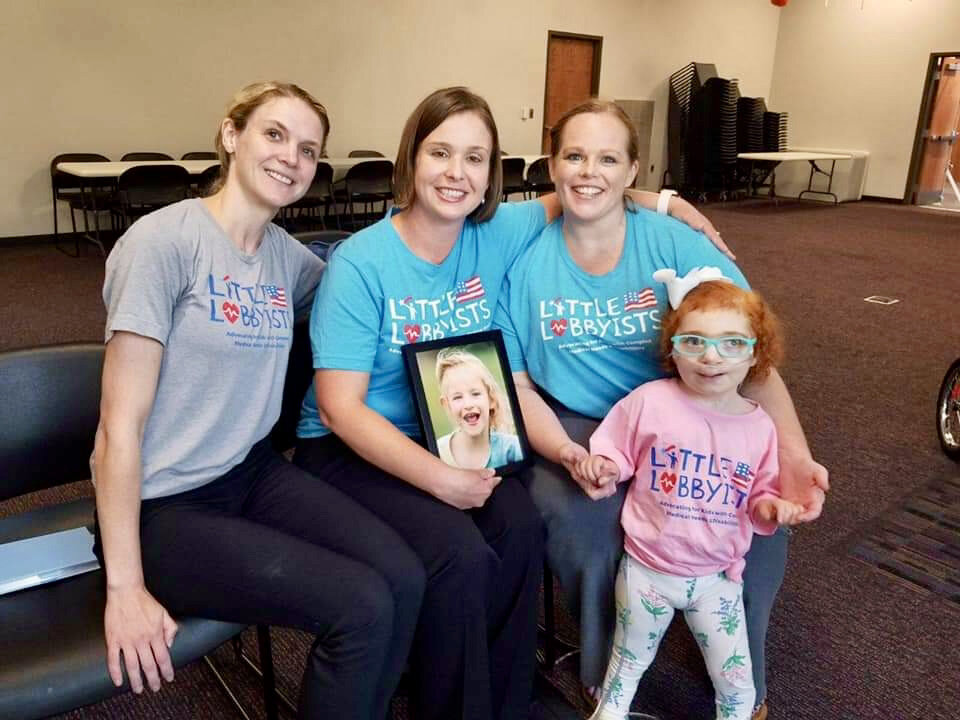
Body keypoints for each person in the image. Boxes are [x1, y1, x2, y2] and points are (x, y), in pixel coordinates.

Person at [293, 86, 730, 720]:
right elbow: (339, 409)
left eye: (475, 158)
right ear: (411, 158)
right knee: (460, 553)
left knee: (521, 527)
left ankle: (506, 696)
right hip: (349, 446)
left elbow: (585, 191)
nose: (456, 173)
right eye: (440, 152)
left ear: (491, 173)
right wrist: (442, 480)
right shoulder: (362, 262)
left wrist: (664, 201)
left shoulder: (492, 231)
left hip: (446, 428)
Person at [91, 81, 424, 720]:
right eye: (274, 135)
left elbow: (362, 283)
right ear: (231, 135)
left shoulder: (285, 257)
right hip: (163, 505)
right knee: (361, 606)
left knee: (405, 576)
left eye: (307, 149)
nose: (289, 159)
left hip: (251, 472)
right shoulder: (163, 243)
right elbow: (116, 431)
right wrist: (125, 587)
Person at [494, 99, 829, 720]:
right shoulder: (523, 259)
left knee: (755, 531)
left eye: (607, 158)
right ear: (551, 163)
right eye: (574, 155)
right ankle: (606, 673)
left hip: (691, 409)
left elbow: (743, 354)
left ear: (633, 170)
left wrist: (794, 453)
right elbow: (518, 383)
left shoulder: (678, 244)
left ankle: (741, 681)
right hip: (577, 421)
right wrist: (569, 453)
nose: (588, 171)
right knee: (588, 537)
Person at [584, 273, 805, 720]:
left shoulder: (761, 427)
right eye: (693, 341)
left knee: (737, 686)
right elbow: (616, 448)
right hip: (647, 570)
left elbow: (760, 495)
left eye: (732, 344)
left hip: (716, 581)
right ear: (673, 348)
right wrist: (604, 464)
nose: (710, 357)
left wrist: (772, 507)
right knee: (625, 670)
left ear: (755, 354)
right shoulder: (650, 401)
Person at [435, 347, 522, 469]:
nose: (468, 404)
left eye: (475, 394)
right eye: (457, 397)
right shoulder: (438, 452)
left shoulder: (512, 448)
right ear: (447, 405)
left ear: (491, 399)